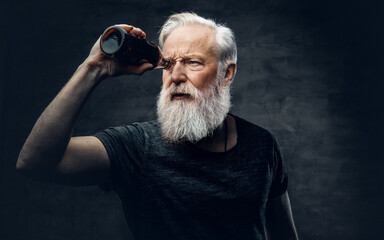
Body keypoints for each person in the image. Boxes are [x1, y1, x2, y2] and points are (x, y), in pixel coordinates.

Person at [17, 12, 299, 240]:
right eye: (167, 64)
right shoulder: (137, 147)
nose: (175, 75)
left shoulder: (262, 145)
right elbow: (34, 161)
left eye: (192, 63)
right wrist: (93, 69)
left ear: (227, 73)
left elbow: (285, 234)